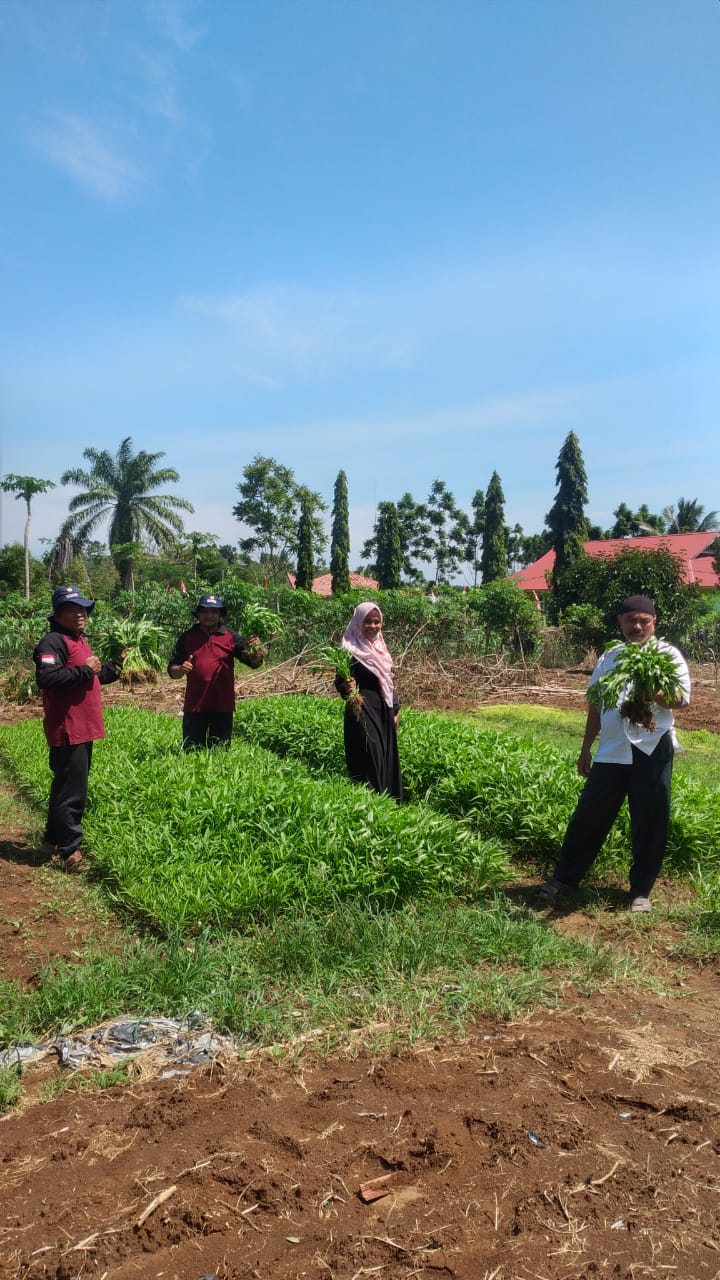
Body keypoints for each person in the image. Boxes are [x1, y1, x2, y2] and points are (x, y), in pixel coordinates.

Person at [536, 595, 691, 912]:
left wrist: (653, 693)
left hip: (652, 746)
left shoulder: (667, 655)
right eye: (630, 620)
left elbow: (681, 700)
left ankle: (640, 892)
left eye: (643, 621)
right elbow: (595, 703)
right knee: (588, 816)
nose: (637, 626)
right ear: (620, 623)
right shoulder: (610, 656)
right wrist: (585, 747)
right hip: (611, 749)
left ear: (654, 623)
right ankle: (565, 878)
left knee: (650, 820)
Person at [33, 585, 124, 872]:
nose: (80, 614)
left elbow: (93, 677)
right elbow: (48, 678)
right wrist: (86, 669)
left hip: (84, 726)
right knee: (73, 792)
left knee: (64, 786)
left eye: (82, 608)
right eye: (72, 609)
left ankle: (51, 840)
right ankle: (71, 851)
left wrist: (118, 666)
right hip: (68, 728)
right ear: (58, 614)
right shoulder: (52, 643)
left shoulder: (80, 641)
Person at [168, 593, 264, 749]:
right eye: (205, 611)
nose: (209, 615)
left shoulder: (230, 637)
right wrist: (181, 669)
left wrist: (256, 649)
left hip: (222, 705)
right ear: (198, 614)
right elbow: (172, 668)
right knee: (191, 751)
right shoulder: (187, 637)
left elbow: (254, 663)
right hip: (195, 705)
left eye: (214, 612)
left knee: (220, 753)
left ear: (220, 615)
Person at [335, 601, 403, 800]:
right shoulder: (349, 648)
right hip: (362, 710)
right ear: (358, 623)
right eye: (368, 622)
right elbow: (339, 681)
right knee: (370, 755)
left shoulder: (380, 648)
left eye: (377, 622)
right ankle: (370, 803)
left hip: (383, 710)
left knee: (384, 755)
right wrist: (347, 688)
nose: (373, 626)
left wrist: (396, 709)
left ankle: (389, 802)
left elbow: (388, 681)